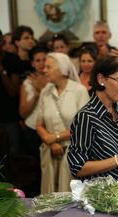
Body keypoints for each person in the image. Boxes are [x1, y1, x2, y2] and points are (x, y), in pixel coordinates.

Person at [36, 52, 89, 194]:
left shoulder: (79, 91)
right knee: (49, 194)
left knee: (69, 194)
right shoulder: (45, 91)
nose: (44, 70)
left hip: (73, 152)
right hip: (50, 150)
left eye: (48, 67)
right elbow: (39, 124)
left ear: (62, 69)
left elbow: (83, 126)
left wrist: (56, 137)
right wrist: (50, 141)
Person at [19, 46, 49, 161]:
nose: (42, 63)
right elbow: (23, 113)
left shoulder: (54, 80)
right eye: (38, 60)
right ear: (32, 63)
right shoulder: (27, 82)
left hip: (51, 129)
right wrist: (36, 95)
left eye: (44, 59)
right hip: (32, 130)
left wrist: (42, 89)